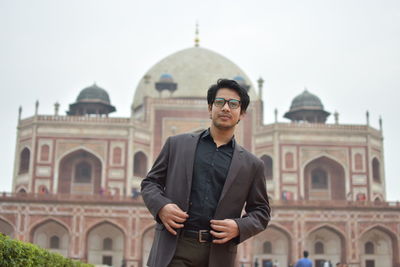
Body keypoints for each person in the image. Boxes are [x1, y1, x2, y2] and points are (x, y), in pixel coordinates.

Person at [141, 79, 271, 267]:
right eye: (220, 102)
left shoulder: (251, 164)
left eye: (233, 104)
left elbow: (261, 211)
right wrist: (162, 206)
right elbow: (150, 183)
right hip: (174, 246)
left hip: (217, 252)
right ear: (210, 108)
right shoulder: (177, 145)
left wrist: (238, 227)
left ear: (242, 113)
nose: (226, 108)